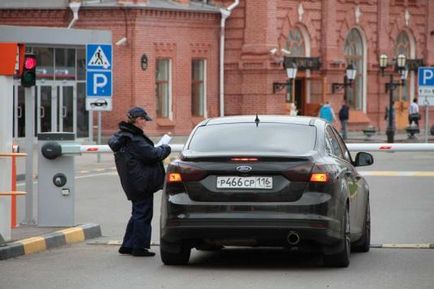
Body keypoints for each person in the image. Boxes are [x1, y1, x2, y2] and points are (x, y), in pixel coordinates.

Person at [108, 107, 171, 257]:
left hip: (132, 181)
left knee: (138, 211)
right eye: (144, 120)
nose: (145, 123)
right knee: (143, 213)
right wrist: (165, 147)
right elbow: (153, 155)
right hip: (141, 182)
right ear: (138, 120)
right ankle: (139, 247)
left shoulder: (123, 136)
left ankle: (128, 245)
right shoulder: (134, 139)